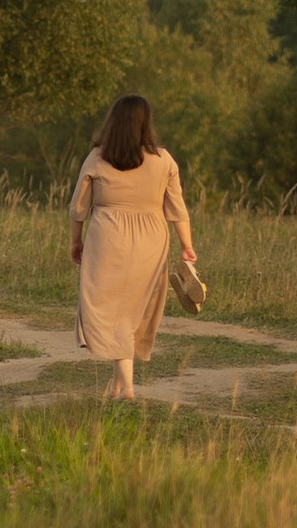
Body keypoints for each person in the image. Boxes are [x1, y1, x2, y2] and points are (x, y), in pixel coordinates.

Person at [70, 90, 203, 404]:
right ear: (147, 124)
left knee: (110, 309)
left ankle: (127, 389)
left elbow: (78, 208)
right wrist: (187, 246)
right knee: (132, 310)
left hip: (107, 238)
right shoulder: (164, 160)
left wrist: (75, 241)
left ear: (113, 122)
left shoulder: (97, 157)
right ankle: (118, 386)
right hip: (151, 240)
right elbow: (177, 209)